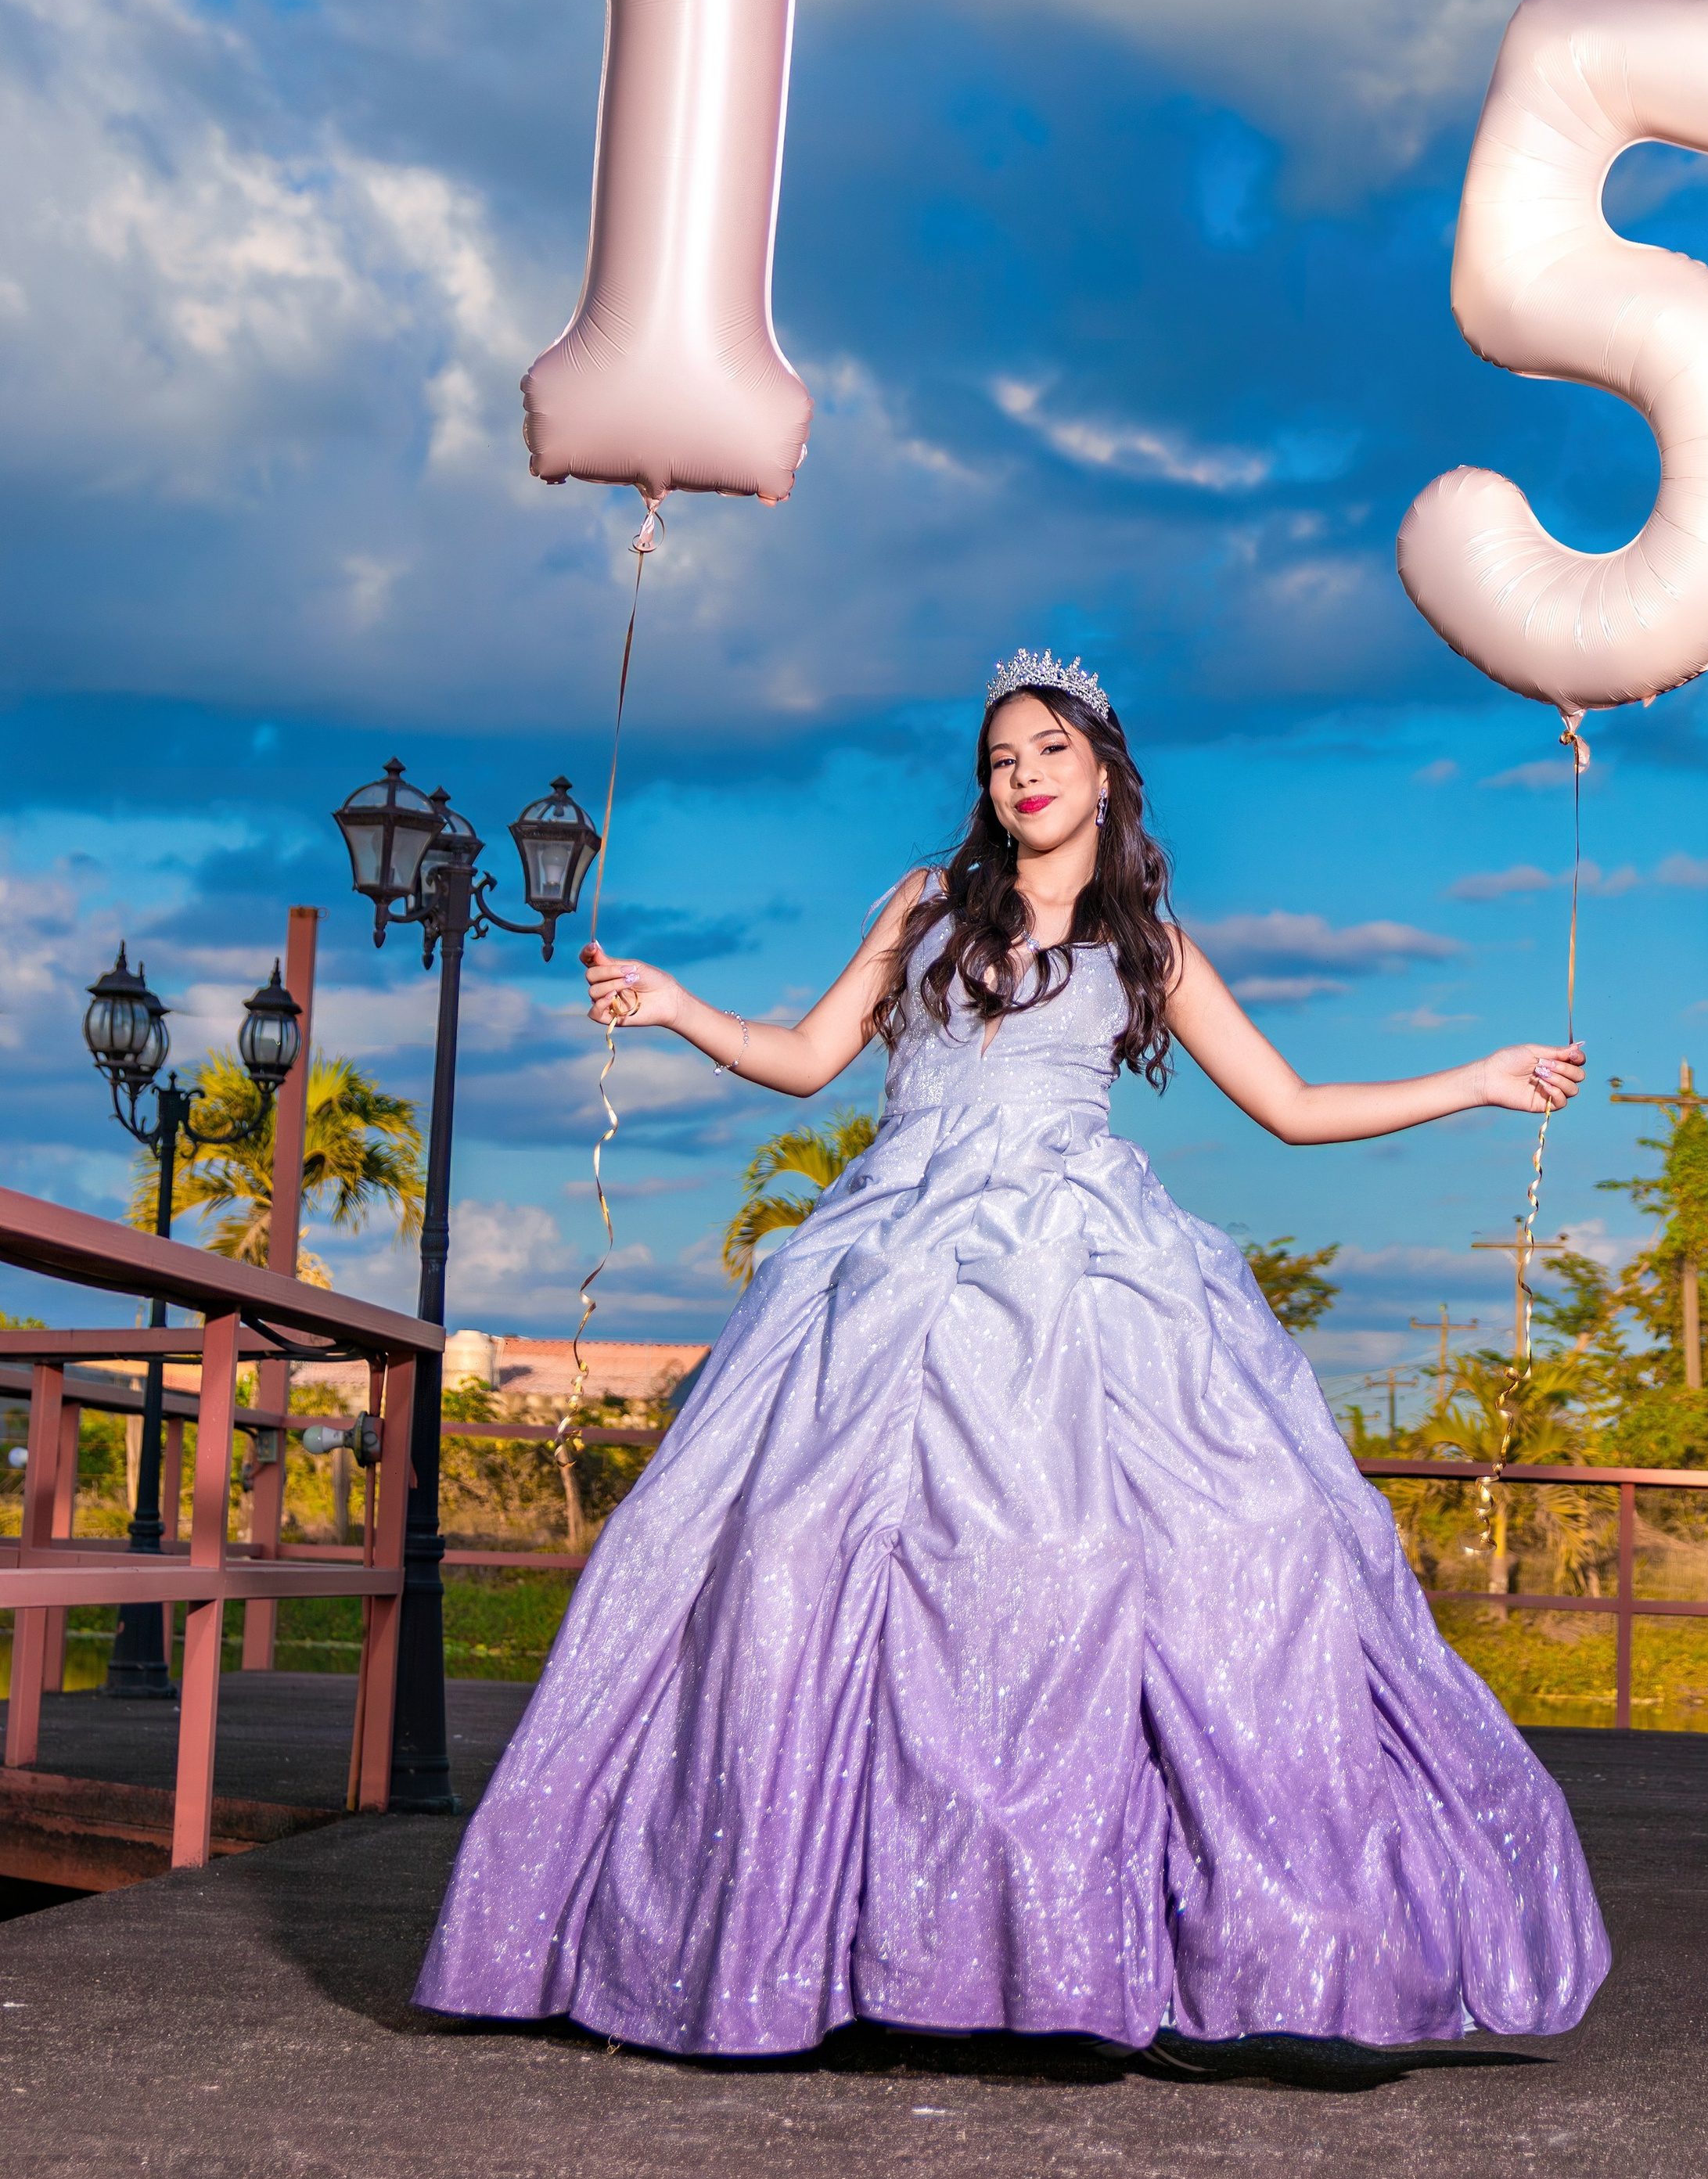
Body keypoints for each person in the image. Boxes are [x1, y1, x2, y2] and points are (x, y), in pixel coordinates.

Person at [416, 651, 1607, 2057]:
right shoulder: (925, 905)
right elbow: (806, 1057)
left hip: (1085, 1271)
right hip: (892, 1262)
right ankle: (805, 1950)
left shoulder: (1148, 940)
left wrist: (1475, 1079)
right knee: (789, 1552)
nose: (1023, 774)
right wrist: (677, 1006)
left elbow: (1288, 1103)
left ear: (1105, 771)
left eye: (1049, 749)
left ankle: (1203, 1952)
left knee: (1226, 1538)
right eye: (999, 759)